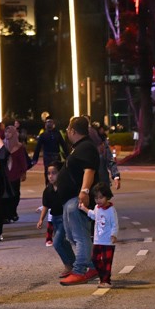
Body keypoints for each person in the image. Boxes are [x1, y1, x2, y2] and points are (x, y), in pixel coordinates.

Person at [57, 116, 100, 285]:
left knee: (80, 235)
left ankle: (80, 269)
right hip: (69, 199)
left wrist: (84, 191)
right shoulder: (79, 147)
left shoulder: (86, 147)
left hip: (77, 198)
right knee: (71, 235)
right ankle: (91, 265)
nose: (67, 132)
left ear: (73, 131)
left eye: (68, 129)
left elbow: (89, 170)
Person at [80, 182, 118, 289]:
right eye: (96, 198)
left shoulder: (111, 210)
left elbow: (115, 223)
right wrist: (83, 208)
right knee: (95, 259)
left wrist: (114, 234)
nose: (98, 200)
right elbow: (93, 215)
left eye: (101, 197)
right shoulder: (97, 208)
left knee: (107, 261)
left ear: (107, 196)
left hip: (108, 241)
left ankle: (106, 280)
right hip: (97, 240)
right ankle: (102, 277)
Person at [1, 124, 29, 222]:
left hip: (15, 174)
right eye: (6, 132)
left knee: (15, 195)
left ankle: (13, 213)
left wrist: (24, 172)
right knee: (5, 195)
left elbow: (22, 161)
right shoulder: (2, 145)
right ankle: (6, 215)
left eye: (9, 132)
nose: (7, 134)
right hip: (4, 175)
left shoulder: (19, 146)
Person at [36, 161, 63, 250]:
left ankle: (71, 262)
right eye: (48, 173)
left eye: (54, 173)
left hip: (64, 218)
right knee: (61, 243)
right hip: (55, 219)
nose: (50, 176)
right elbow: (46, 206)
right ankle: (69, 262)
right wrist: (41, 219)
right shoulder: (47, 191)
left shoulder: (64, 187)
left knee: (58, 242)